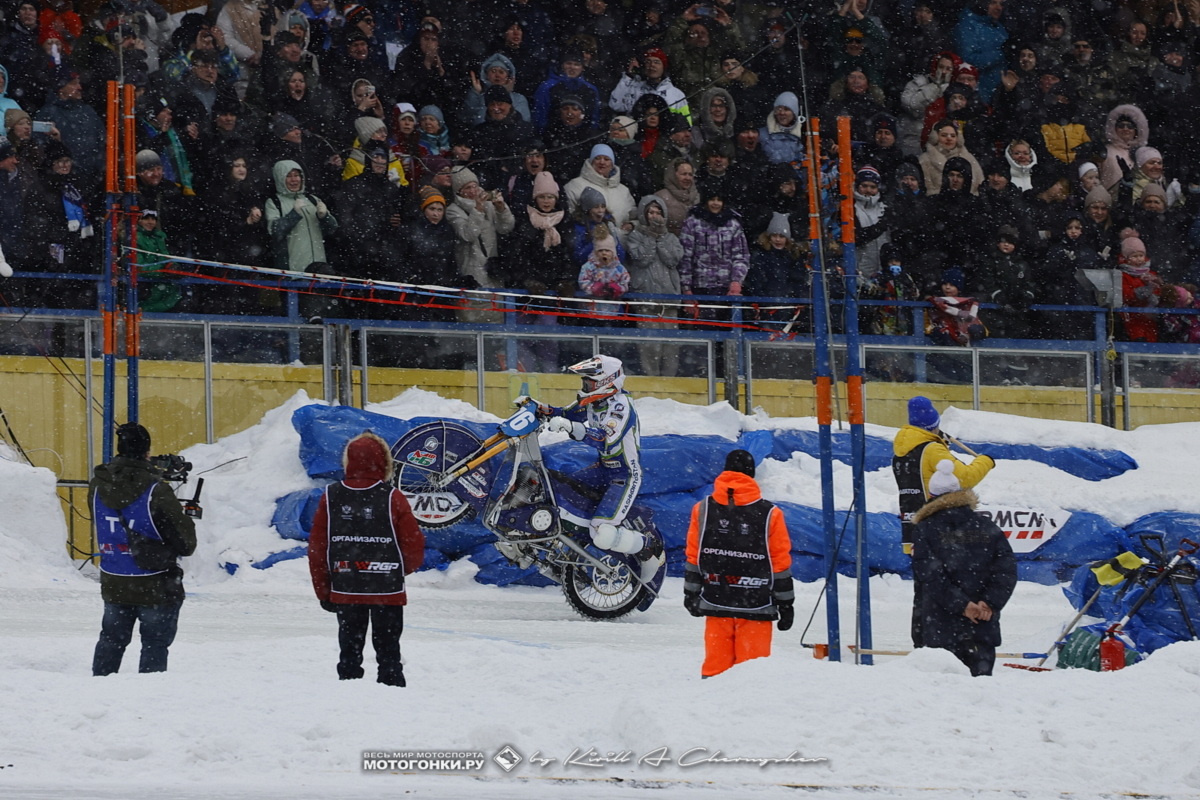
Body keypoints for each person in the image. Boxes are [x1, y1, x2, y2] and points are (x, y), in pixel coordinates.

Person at [517, 355, 663, 582]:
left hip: (624, 475)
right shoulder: (594, 402)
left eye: (589, 383)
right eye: (584, 382)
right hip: (602, 470)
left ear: (607, 382)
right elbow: (564, 414)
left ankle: (648, 546)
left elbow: (605, 439)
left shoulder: (621, 406)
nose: (585, 387)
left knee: (602, 532)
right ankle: (553, 547)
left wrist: (570, 427)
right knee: (555, 493)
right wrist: (536, 406)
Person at [307, 432, 424, 686]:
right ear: (384, 462)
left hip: (346, 587)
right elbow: (413, 543)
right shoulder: (392, 497)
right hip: (387, 589)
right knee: (389, 650)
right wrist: (396, 569)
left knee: (349, 650)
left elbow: (318, 547)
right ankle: (392, 688)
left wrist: (324, 589)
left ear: (348, 461)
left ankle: (350, 688)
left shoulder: (331, 496)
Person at [90, 422, 197, 676]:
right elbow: (186, 543)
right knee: (155, 645)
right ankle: (148, 694)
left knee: (111, 640)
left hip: (114, 577)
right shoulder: (155, 490)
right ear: (147, 452)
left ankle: (98, 687)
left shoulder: (97, 485)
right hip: (155, 583)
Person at [892, 396, 996, 648]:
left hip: (913, 528)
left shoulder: (902, 450)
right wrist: (986, 461)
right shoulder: (932, 450)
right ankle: (943, 644)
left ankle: (922, 642)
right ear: (933, 424)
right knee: (947, 589)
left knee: (925, 589)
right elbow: (965, 477)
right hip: (939, 529)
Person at [683, 449, 794, 678]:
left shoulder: (702, 509)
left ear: (725, 471)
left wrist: (691, 592)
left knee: (715, 670)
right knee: (752, 673)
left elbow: (694, 555)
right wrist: (785, 603)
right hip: (756, 604)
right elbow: (779, 563)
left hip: (716, 600)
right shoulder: (771, 514)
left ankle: (710, 698)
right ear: (751, 474)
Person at [911, 459, 1017, 676]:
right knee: (980, 687)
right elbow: (1006, 570)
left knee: (944, 688)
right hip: (982, 626)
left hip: (940, 626)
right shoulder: (988, 526)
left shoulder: (925, 529)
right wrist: (988, 603)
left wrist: (962, 605)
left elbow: (930, 576)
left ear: (930, 496)